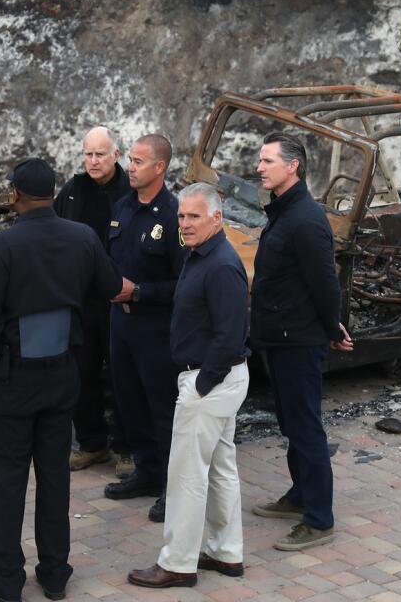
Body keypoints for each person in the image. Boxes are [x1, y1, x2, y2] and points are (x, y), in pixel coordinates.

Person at [0, 158, 122, 602]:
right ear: (53, 192)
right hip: (61, 374)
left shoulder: (4, 245)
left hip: (11, 380)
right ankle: (55, 574)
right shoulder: (83, 237)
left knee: (10, 480)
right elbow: (110, 285)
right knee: (55, 477)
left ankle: (7, 580)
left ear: (15, 194)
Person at [128, 182, 250, 589]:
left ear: (217, 217)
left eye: (194, 216)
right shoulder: (200, 255)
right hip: (213, 379)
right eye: (181, 216)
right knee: (219, 468)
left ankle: (178, 563)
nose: (185, 223)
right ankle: (225, 553)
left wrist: (201, 384)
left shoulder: (221, 265)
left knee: (185, 475)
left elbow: (230, 336)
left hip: (210, 381)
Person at [249, 132, 353, 551]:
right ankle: (299, 496)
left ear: (292, 167)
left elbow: (325, 284)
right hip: (279, 336)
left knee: (306, 426)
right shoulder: (283, 212)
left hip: (299, 339)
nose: (260, 167)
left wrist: (333, 328)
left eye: (268, 161)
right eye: (261, 160)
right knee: (291, 423)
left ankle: (319, 519)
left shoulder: (306, 220)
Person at [103, 135, 185, 523]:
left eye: (138, 161)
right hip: (122, 326)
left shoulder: (174, 217)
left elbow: (184, 283)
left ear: (159, 168)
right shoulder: (122, 208)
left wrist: (140, 292)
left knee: (162, 409)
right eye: (130, 160)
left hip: (156, 328)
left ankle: (173, 486)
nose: (130, 167)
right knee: (129, 401)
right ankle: (147, 471)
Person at [52, 126, 132, 475]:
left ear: (116, 155)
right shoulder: (72, 191)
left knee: (122, 377)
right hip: (80, 301)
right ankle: (91, 444)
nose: (93, 161)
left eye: (100, 154)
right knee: (80, 374)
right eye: (88, 154)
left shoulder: (132, 192)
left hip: (119, 299)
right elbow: (54, 232)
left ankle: (128, 448)